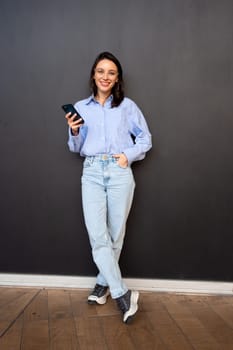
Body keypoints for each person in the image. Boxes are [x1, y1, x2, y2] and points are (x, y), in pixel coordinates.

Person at [65, 51, 152, 323]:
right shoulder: (82, 107)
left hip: (119, 171)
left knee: (115, 234)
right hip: (91, 170)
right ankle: (122, 293)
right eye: (101, 71)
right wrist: (75, 131)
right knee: (98, 235)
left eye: (111, 73)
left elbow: (145, 139)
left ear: (117, 79)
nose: (105, 76)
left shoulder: (128, 107)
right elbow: (76, 148)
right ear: (94, 74)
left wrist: (128, 155)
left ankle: (102, 285)